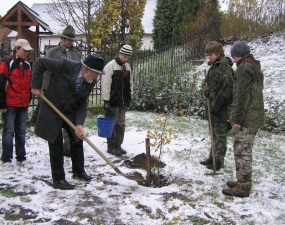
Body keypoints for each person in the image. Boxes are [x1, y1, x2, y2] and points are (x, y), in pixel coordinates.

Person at [31, 54, 105, 190]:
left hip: (69, 110)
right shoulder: (65, 65)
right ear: (86, 70)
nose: (97, 77)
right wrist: (36, 85)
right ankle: (58, 179)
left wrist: (79, 125)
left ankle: (78, 171)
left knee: (78, 138)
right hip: (52, 107)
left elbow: (82, 105)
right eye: (96, 74)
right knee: (56, 142)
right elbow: (40, 63)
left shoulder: (90, 82)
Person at [222, 41, 264, 198]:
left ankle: (243, 187)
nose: (232, 57)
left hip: (247, 118)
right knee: (243, 150)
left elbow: (242, 97)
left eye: (233, 54)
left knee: (242, 151)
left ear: (237, 54)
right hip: (254, 116)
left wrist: (237, 120)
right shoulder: (253, 66)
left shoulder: (243, 69)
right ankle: (241, 181)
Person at [43, 25, 81, 157]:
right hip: (56, 92)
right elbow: (46, 72)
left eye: (72, 40)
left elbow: (78, 73)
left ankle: (69, 147)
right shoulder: (53, 53)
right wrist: (45, 89)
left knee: (70, 121)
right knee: (57, 121)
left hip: (71, 93)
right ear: (61, 38)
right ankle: (58, 147)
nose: (71, 42)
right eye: (68, 40)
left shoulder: (76, 54)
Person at [0, 39, 34, 171]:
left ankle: (21, 158)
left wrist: (28, 100)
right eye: (24, 50)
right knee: (8, 131)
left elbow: (29, 84)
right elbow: (1, 83)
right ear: (17, 49)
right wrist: (1, 103)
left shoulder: (27, 65)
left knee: (21, 132)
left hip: (23, 104)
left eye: (27, 51)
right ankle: (6, 159)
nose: (26, 53)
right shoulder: (6, 64)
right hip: (10, 104)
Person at [200, 41, 233, 170]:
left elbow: (227, 88)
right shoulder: (213, 67)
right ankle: (212, 156)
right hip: (212, 106)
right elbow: (209, 85)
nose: (209, 57)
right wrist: (206, 90)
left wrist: (215, 105)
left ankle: (218, 160)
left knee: (220, 135)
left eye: (211, 54)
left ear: (219, 53)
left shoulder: (224, 67)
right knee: (213, 133)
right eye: (208, 54)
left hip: (220, 108)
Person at [101, 44, 133, 156]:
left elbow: (130, 83)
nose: (126, 59)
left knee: (121, 124)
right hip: (112, 101)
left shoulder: (127, 67)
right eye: (125, 56)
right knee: (112, 124)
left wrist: (129, 97)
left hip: (123, 101)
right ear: (120, 54)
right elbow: (105, 84)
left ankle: (118, 145)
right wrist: (106, 100)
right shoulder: (110, 66)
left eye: (128, 57)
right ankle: (111, 146)